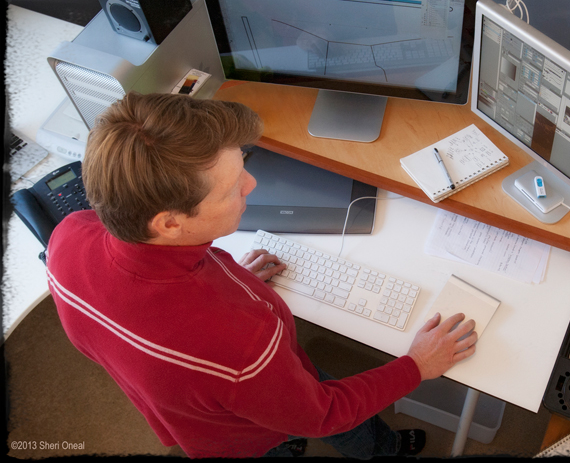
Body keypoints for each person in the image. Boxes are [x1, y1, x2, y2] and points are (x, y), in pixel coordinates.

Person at [45, 92, 478, 458]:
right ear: (170, 223)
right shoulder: (242, 345)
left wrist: (230, 279)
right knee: (308, 422)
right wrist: (416, 366)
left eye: (243, 165)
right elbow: (322, 412)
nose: (251, 185)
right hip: (245, 436)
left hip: (191, 413)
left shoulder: (66, 238)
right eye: (232, 187)